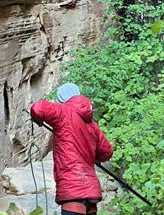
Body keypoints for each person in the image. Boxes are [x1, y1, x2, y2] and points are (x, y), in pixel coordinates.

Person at [30, 82, 114, 215]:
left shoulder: (63, 113)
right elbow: (107, 152)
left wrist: (37, 119)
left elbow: (38, 108)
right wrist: (93, 156)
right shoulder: (92, 125)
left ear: (62, 100)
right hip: (91, 194)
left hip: (73, 192)